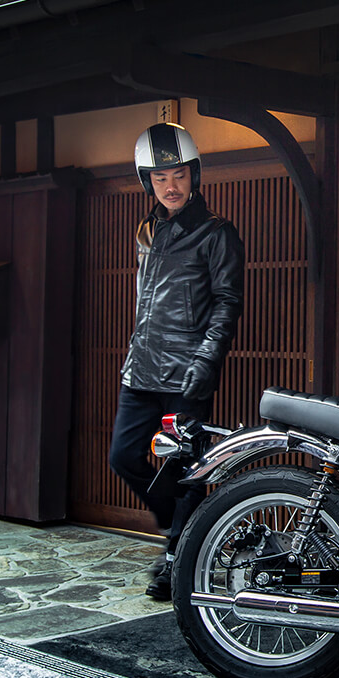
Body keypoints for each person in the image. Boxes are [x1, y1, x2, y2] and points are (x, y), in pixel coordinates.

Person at [108, 122, 244, 601]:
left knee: (185, 468)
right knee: (123, 457)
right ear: (148, 181)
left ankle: (175, 558)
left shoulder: (216, 233)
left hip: (187, 371)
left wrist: (207, 360)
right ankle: (187, 531)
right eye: (161, 177)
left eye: (180, 175)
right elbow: (147, 301)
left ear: (195, 175)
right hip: (142, 367)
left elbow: (228, 302)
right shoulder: (146, 231)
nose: (171, 185)